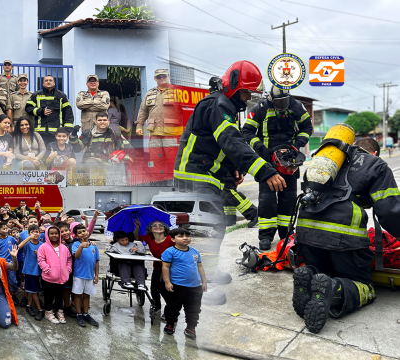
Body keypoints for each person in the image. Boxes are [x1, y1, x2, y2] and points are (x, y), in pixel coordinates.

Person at [292, 129, 400, 334]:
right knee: (363, 286)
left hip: (306, 233)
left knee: (322, 273)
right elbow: (389, 211)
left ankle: (309, 273)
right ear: (374, 153)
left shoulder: (324, 162)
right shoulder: (375, 165)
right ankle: (334, 290)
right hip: (343, 239)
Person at [172, 61, 285, 214]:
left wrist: (234, 168)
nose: (249, 96)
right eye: (247, 91)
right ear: (235, 88)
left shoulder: (224, 107)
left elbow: (220, 145)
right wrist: (265, 171)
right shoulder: (218, 105)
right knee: (206, 230)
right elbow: (232, 141)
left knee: (208, 230)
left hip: (201, 177)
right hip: (196, 178)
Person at [242, 87, 313, 250]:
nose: (283, 105)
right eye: (279, 102)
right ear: (271, 99)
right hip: (267, 160)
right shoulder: (260, 108)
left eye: (285, 101)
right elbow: (247, 132)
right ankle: (266, 235)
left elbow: (307, 128)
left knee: (288, 200)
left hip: (290, 161)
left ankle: (286, 233)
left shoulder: (296, 106)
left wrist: (296, 147)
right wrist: (261, 149)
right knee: (267, 201)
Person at [161, 228, 207, 339]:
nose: (185, 238)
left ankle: (191, 327)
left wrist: (204, 281)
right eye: (180, 236)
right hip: (177, 285)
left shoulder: (195, 251)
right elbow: (165, 267)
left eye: (187, 235)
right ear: (173, 239)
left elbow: (200, 266)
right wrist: (167, 282)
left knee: (194, 308)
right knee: (173, 307)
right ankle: (170, 324)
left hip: (195, 286)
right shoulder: (169, 252)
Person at [134, 219, 175, 314]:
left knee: (165, 290)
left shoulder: (170, 239)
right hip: (157, 267)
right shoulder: (149, 238)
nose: (158, 227)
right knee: (154, 290)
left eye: (161, 225)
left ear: (165, 228)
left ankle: (170, 311)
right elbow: (135, 237)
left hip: (171, 268)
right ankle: (157, 307)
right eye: (154, 225)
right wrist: (137, 226)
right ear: (150, 229)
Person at [25, 75, 74, 146]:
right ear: (43, 83)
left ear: (54, 83)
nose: (48, 82)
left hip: (57, 132)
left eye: (50, 80)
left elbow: (68, 113)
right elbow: (28, 108)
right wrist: (41, 111)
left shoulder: (61, 96)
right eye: (46, 80)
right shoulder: (36, 95)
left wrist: (68, 129)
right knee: (42, 152)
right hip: (40, 132)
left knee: (55, 152)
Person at [37, 225, 72, 324]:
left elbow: (69, 259)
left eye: (56, 233)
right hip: (49, 277)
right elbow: (41, 260)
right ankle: (48, 312)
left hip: (61, 277)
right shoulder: (43, 247)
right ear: (47, 235)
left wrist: (68, 268)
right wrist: (47, 269)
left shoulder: (63, 247)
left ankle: (60, 312)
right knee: (48, 296)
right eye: (51, 233)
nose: (54, 235)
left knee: (59, 296)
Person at [71, 223, 101, 327]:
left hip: (90, 275)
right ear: (76, 235)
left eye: (84, 231)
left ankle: (86, 313)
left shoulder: (94, 246)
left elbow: (97, 261)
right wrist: (81, 246)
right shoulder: (76, 245)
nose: (82, 233)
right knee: (78, 295)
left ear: (87, 232)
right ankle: (79, 313)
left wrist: (96, 275)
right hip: (79, 275)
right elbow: (77, 256)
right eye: (79, 233)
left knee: (87, 295)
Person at [18, 224, 44, 320]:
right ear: (28, 233)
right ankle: (39, 309)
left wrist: (40, 254)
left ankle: (29, 306)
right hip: (29, 271)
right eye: (32, 232)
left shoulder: (42, 245)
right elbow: (19, 246)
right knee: (34, 291)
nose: (35, 234)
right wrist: (29, 238)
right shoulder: (27, 244)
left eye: (37, 231)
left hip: (38, 271)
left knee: (33, 290)